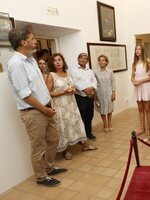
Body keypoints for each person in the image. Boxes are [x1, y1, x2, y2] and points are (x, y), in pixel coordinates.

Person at [6, 27, 66, 187]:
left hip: (46, 107)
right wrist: (44, 109)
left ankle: (50, 167)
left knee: (54, 139)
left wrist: (50, 102)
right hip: (33, 112)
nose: (35, 40)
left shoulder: (31, 59)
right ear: (24, 42)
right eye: (32, 38)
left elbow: (40, 85)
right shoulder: (16, 64)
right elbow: (25, 94)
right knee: (38, 147)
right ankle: (41, 177)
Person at [46, 53, 97, 159]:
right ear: (52, 63)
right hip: (61, 106)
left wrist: (73, 90)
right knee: (64, 127)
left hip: (71, 104)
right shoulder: (51, 75)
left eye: (59, 60)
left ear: (63, 61)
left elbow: (72, 87)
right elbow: (48, 93)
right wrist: (63, 92)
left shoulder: (67, 73)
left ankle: (85, 145)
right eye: (55, 61)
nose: (58, 62)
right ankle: (65, 150)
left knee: (77, 124)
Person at [70, 53, 97, 140]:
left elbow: (94, 81)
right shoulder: (73, 70)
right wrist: (85, 90)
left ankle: (88, 132)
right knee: (81, 117)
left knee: (90, 115)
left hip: (90, 97)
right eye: (81, 58)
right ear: (78, 59)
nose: (83, 60)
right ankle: (81, 135)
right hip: (80, 97)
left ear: (87, 61)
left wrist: (92, 88)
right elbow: (74, 82)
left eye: (85, 58)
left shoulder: (90, 70)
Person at [131, 45, 150, 138]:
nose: (137, 51)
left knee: (147, 109)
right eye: (136, 49)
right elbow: (132, 76)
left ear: (143, 51)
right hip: (138, 88)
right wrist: (134, 81)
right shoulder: (134, 63)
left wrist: (140, 81)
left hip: (146, 87)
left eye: (139, 49)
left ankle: (148, 128)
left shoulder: (148, 61)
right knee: (140, 109)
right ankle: (142, 128)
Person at [94, 55, 116, 132]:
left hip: (109, 93)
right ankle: (105, 124)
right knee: (102, 109)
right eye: (99, 60)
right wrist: (95, 95)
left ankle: (109, 123)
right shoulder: (95, 72)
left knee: (109, 109)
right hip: (100, 94)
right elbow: (94, 84)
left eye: (103, 60)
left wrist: (113, 93)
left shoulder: (110, 71)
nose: (101, 62)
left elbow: (113, 83)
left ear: (106, 62)